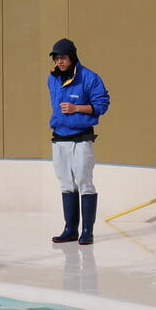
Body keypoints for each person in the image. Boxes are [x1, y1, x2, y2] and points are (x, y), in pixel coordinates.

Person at [47, 38, 110, 245]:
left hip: (81, 139)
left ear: (72, 57)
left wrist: (76, 108)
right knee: (66, 183)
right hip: (59, 138)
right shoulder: (53, 79)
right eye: (56, 58)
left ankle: (87, 231)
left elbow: (102, 105)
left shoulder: (90, 78)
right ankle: (70, 229)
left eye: (63, 57)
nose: (59, 62)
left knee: (84, 181)